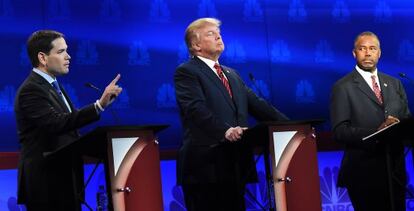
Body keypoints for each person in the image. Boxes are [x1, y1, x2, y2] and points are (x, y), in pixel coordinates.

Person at [174, 18, 289, 211]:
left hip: (235, 166)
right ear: (195, 45)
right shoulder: (187, 72)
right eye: (210, 33)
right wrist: (225, 130)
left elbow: (259, 106)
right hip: (205, 168)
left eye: (218, 32)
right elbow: (195, 109)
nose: (218, 36)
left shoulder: (231, 74)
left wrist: (292, 126)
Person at [14, 30, 122, 211]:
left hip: (65, 179)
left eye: (67, 50)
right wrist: (98, 106)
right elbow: (56, 123)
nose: (68, 56)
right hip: (46, 185)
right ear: (42, 57)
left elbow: (69, 128)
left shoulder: (53, 86)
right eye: (61, 51)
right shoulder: (30, 90)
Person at [330, 31, 411, 210]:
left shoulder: (395, 83)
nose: (367, 53)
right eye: (362, 48)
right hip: (363, 172)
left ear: (379, 53)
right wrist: (378, 132)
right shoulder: (343, 87)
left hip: (394, 172)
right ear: (354, 53)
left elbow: (406, 120)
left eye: (372, 48)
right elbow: (339, 131)